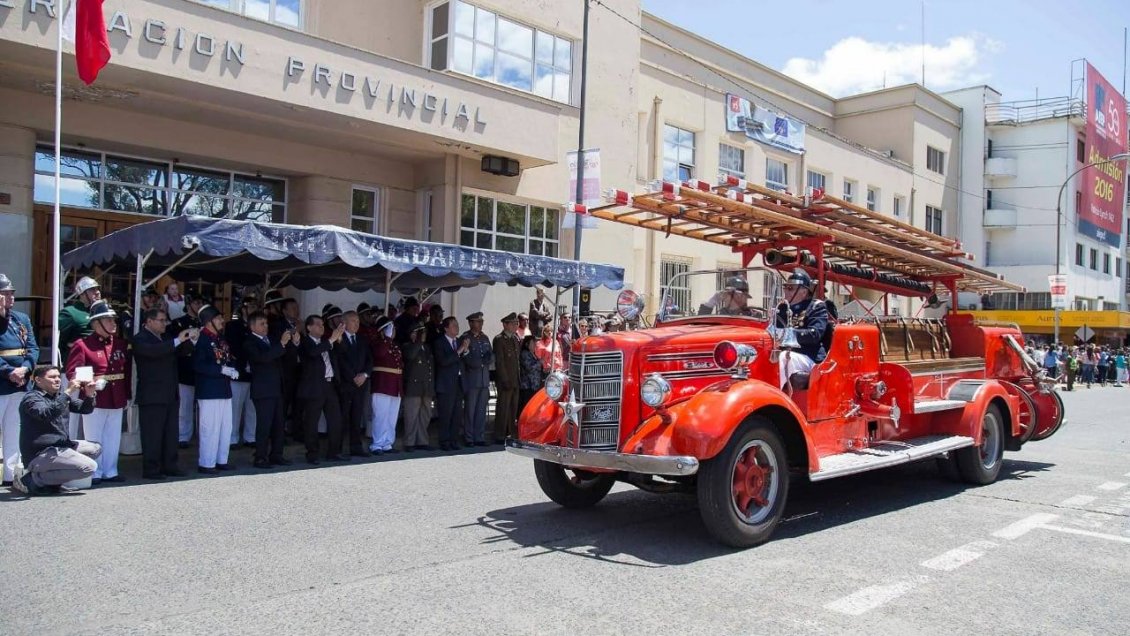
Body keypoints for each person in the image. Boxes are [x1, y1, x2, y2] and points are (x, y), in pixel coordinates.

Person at [65, 300, 130, 484]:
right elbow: (73, 371)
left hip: (116, 396)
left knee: (113, 436)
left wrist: (127, 394)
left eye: (113, 320)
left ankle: (111, 470)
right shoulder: (83, 344)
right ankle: (95, 471)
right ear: (96, 323)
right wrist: (91, 381)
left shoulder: (119, 344)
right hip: (95, 397)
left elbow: (125, 371)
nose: (113, 324)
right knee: (94, 437)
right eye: (108, 320)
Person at [12, 365, 99, 495]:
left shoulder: (58, 396)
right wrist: (67, 393)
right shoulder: (31, 398)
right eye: (52, 377)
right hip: (40, 452)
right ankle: (33, 479)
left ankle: (53, 483)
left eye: (58, 376)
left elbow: (84, 409)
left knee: (95, 448)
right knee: (89, 467)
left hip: (60, 446)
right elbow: (47, 414)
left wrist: (90, 395)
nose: (57, 380)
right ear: (38, 380)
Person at [132, 308, 193, 479]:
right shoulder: (140, 338)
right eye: (161, 320)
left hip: (170, 392)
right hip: (152, 395)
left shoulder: (167, 338)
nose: (164, 323)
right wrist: (176, 341)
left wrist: (190, 339)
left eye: (165, 320)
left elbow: (182, 351)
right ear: (149, 321)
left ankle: (170, 465)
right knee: (153, 434)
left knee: (170, 433)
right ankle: (151, 468)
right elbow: (154, 351)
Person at [0, 273, 38, 487]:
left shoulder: (21, 319)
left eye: (11, 293)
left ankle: (10, 475)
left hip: (21, 381)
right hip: (2, 381)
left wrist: (25, 368)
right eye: (5, 293)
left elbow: (31, 347)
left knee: (15, 430)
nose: (10, 297)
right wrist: (8, 371)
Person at [244, 311, 292, 469]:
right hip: (263, 390)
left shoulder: (271, 339)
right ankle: (260, 457)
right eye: (261, 324)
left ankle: (277, 454)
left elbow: (282, 356)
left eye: (266, 323)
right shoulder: (250, 342)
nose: (265, 327)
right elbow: (262, 358)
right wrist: (282, 344)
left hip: (277, 388)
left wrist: (292, 343)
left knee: (279, 424)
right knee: (264, 425)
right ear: (252, 326)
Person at [193, 305, 238, 474]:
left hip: (224, 388)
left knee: (225, 427)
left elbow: (227, 356)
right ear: (209, 321)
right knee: (210, 428)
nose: (221, 321)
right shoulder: (201, 338)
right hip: (209, 390)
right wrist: (221, 370)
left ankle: (221, 459)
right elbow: (198, 365)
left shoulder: (220, 338)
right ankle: (206, 462)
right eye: (218, 318)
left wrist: (231, 367)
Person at [297, 314, 345, 464]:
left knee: (335, 419)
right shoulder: (305, 342)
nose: (321, 327)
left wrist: (339, 339)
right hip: (314, 386)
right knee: (312, 421)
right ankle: (312, 453)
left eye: (322, 324)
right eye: (317, 324)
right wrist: (331, 340)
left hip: (329, 385)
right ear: (309, 327)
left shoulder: (326, 342)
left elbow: (341, 353)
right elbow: (312, 353)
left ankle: (334, 452)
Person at [774, 270, 829, 388]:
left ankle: (774, 399)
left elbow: (815, 334)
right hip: (790, 354)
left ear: (804, 292)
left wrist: (788, 334)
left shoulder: (816, 306)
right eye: (786, 288)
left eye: (791, 288)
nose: (786, 291)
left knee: (784, 358)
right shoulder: (782, 308)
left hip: (809, 356)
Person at [168, 294, 205, 448]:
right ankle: (183, 436)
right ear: (189, 304)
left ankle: (202, 435)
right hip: (186, 369)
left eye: (201, 303)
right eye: (197, 302)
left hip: (202, 369)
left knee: (203, 408)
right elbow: (177, 348)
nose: (199, 305)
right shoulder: (179, 323)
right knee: (185, 407)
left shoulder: (205, 322)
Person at [334, 310, 372, 458]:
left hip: (361, 384)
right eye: (353, 321)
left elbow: (369, 359)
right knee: (342, 417)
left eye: (357, 321)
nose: (356, 324)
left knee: (356, 416)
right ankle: (338, 448)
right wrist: (352, 377)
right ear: (344, 323)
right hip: (345, 384)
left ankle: (356, 446)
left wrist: (365, 374)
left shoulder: (362, 339)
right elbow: (340, 360)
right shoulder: (339, 338)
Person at [225, 295, 259, 449]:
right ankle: (232, 438)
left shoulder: (258, 326)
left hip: (254, 372)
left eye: (255, 307)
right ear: (243, 309)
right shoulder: (233, 326)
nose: (253, 309)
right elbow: (234, 347)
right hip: (239, 371)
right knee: (235, 407)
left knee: (252, 407)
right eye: (250, 307)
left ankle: (250, 437)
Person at [368, 316, 402, 454]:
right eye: (390, 328)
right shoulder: (377, 343)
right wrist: (386, 338)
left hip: (395, 384)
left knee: (391, 416)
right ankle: (377, 444)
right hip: (382, 383)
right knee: (380, 415)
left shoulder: (393, 345)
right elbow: (380, 354)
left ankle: (387, 443)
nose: (393, 331)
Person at [433, 316, 467, 451]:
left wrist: (466, 350)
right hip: (446, 384)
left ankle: (454, 439)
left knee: (457, 414)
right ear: (446, 328)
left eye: (457, 324)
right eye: (453, 325)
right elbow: (443, 362)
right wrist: (459, 350)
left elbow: (463, 359)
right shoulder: (439, 342)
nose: (457, 327)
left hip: (458, 382)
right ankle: (444, 441)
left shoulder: (459, 341)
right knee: (446, 414)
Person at [461, 312, 494, 447]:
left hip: (483, 379)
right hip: (472, 379)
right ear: (471, 323)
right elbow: (466, 358)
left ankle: (479, 436)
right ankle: (468, 437)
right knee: (470, 410)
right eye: (477, 322)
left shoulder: (484, 338)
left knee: (481, 410)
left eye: (481, 322)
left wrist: (486, 360)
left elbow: (490, 355)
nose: (480, 324)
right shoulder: (466, 337)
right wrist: (479, 362)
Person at [400, 321, 434, 451]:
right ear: (412, 334)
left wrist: (432, 386)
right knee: (411, 416)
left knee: (425, 415)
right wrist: (418, 341)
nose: (423, 335)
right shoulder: (408, 346)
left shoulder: (427, 348)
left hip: (426, 386)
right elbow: (410, 356)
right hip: (413, 387)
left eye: (423, 332)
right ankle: (409, 442)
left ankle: (422, 441)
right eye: (420, 332)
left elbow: (431, 368)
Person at [492, 312, 521, 444]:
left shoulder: (515, 338)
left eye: (517, 323)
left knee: (513, 409)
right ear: (506, 324)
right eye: (513, 323)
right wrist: (504, 379)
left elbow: (516, 361)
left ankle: (510, 433)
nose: (516, 325)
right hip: (506, 380)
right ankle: (499, 434)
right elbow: (500, 362)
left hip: (515, 379)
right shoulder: (499, 339)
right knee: (503, 408)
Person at [58, 275, 101, 363]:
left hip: (99, 359)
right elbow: (60, 340)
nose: (97, 292)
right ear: (82, 293)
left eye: (97, 289)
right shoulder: (70, 312)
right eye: (92, 289)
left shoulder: (101, 311)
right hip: (78, 360)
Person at [518, 335, 544, 416]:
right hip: (527, 386)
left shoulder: (533, 354)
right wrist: (539, 362)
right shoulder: (525, 354)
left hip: (534, 386)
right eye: (533, 343)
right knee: (526, 406)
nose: (535, 344)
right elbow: (529, 367)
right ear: (527, 344)